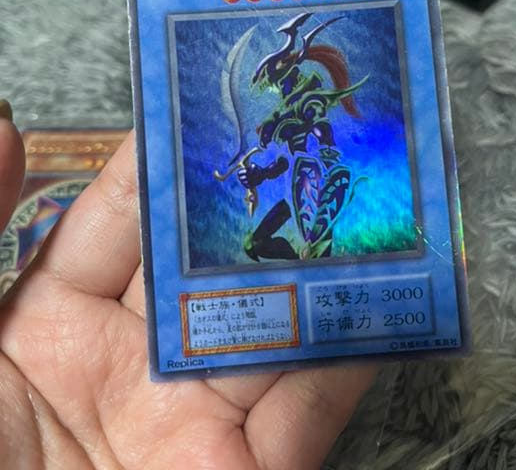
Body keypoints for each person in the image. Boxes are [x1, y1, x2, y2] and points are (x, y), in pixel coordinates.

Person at [0, 102, 376, 469]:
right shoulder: (281, 141)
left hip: (318, 201)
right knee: (254, 244)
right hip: (291, 220)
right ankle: (303, 263)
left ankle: (310, 260)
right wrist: (254, 177)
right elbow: (271, 168)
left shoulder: (318, 137)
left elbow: (319, 163)